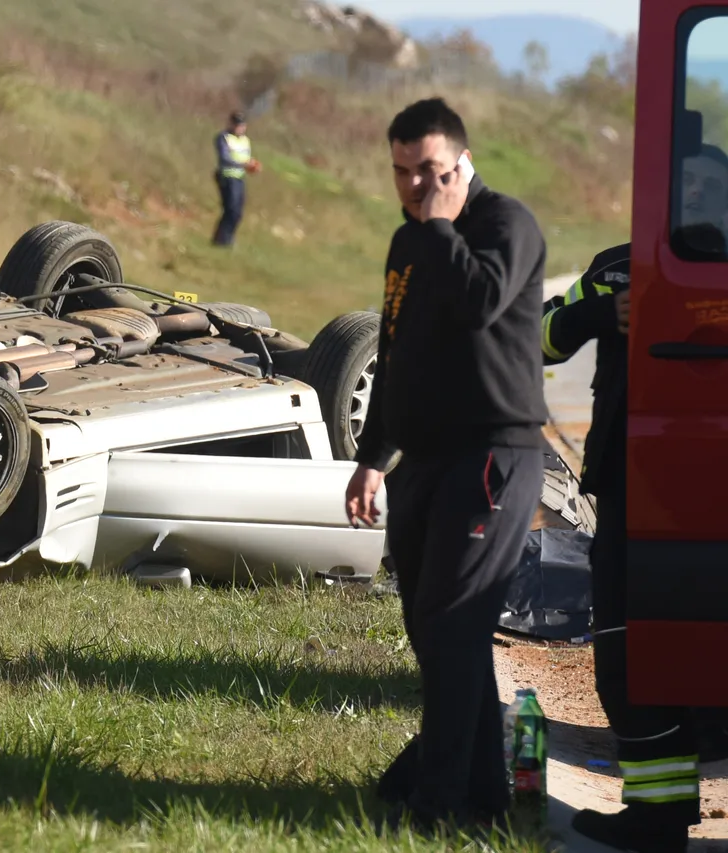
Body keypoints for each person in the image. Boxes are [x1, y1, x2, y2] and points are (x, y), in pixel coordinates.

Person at [345, 97, 551, 831]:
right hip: (424, 459)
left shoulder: (506, 225)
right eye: (401, 173)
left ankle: (438, 805)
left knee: (455, 620)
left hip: (496, 451)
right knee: (431, 628)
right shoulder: (410, 242)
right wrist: (373, 460)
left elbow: (479, 300)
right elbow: (398, 356)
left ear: (462, 164)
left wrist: (437, 226)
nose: (415, 187)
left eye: (429, 171)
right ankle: (482, 790)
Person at [543, 143, 728, 853]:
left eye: (714, 188)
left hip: (703, 481)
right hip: (631, 484)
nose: (699, 199)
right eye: (688, 187)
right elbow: (539, 340)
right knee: (627, 652)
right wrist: (602, 310)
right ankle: (657, 815)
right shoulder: (617, 267)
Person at [211, 111, 260, 247]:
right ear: (231, 124)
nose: (240, 128)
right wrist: (243, 164)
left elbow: (245, 157)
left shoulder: (245, 140)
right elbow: (225, 158)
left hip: (239, 178)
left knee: (237, 212)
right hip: (227, 177)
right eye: (238, 125)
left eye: (242, 125)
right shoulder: (223, 138)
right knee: (230, 209)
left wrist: (252, 165)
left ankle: (226, 238)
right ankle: (222, 240)